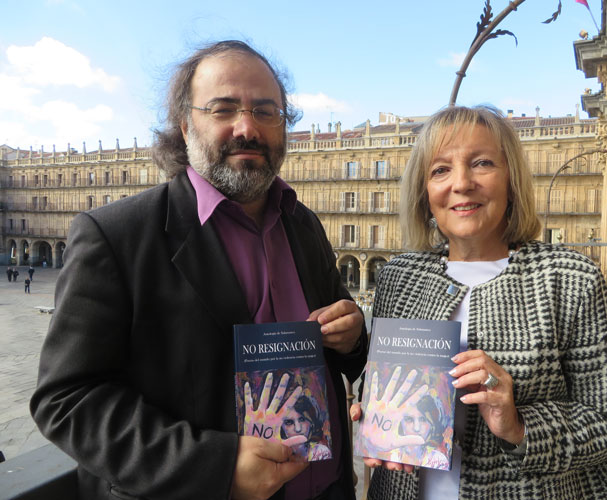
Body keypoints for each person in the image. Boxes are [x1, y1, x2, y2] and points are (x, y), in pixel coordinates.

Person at [30, 40, 367, 500]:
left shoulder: (303, 223)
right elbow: (66, 400)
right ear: (186, 126)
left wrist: (351, 336)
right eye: (223, 109)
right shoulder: (116, 236)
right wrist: (217, 467)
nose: (247, 127)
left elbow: (339, 344)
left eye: (266, 111)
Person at [351, 105, 607, 499]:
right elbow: (385, 381)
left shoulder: (570, 278)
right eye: (440, 170)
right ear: (425, 192)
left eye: (482, 163)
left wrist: (519, 425)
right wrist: (372, 406)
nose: (462, 183)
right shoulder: (398, 278)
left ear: (511, 180)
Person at [280, 393, 333, 461]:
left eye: (302, 419)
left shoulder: (321, 453)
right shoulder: (278, 456)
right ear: (281, 427)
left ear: (311, 422)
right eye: (289, 422)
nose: (298, 429)